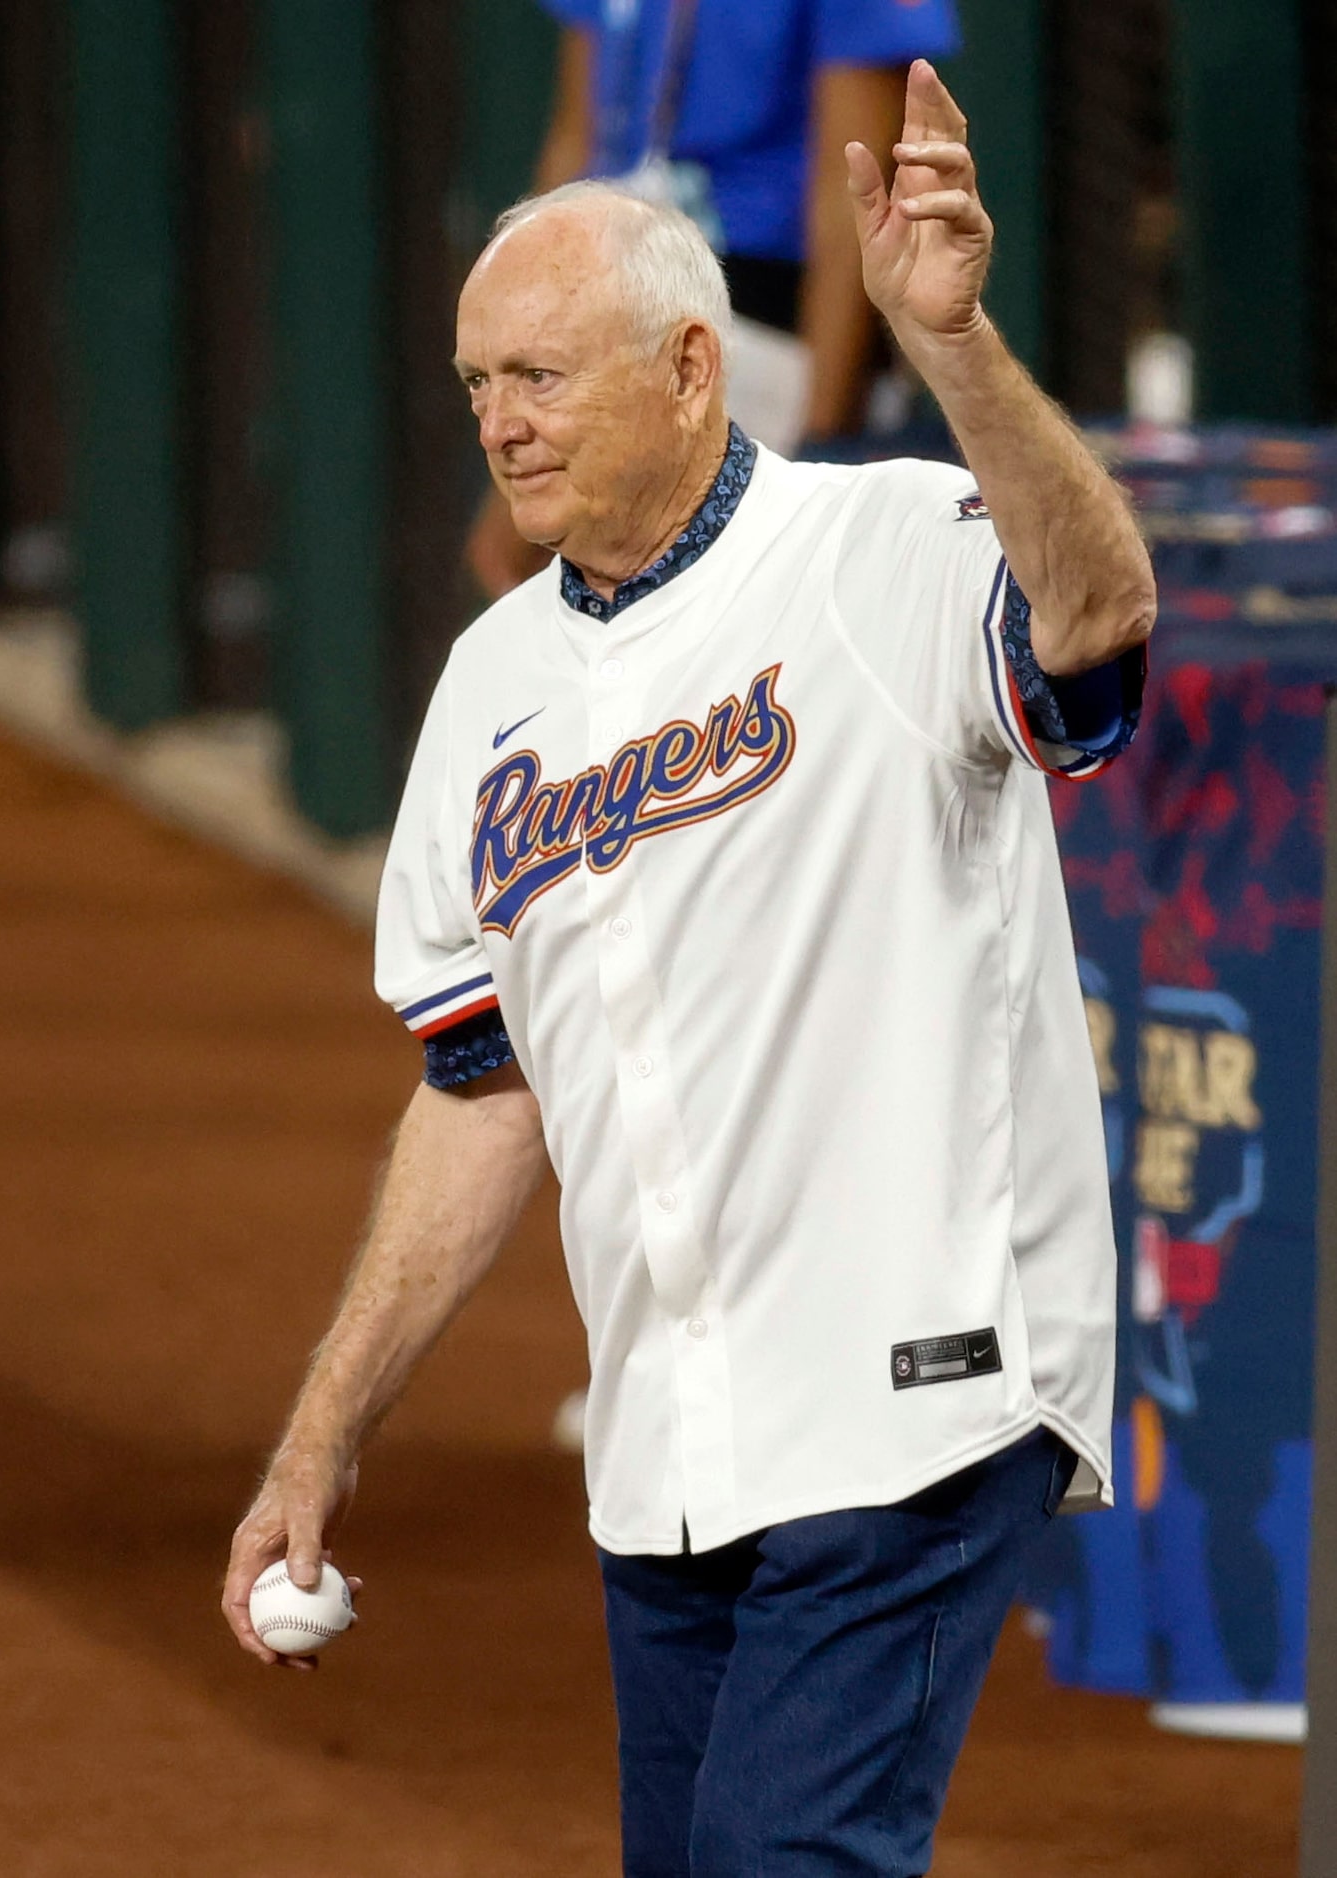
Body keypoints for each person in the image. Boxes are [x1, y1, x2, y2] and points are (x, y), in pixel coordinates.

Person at [224, 62, 1156, 1876]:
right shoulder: (489, 688)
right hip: (669, 1442)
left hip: (916, 1386)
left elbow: (1100, 614)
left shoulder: (879, 551)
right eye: (479, 383)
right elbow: (481, 1087)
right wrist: (323, 1428)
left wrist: (954, 353)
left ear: (686, 366)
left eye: (541, 375)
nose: (500, 423)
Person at [467, 0, 961, 600]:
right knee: (545, 587)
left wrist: (820, 450)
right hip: (605, 301)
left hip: (760, 323)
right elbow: (576, 143)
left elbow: (852, 201)